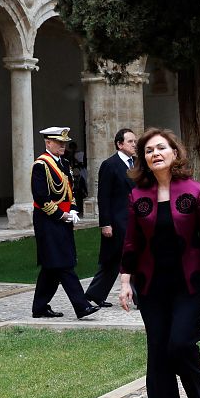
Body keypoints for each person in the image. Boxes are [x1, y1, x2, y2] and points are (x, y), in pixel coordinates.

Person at [118, 128, 200, 398]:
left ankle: (196, 389)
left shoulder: (194, 191)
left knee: (179, 343)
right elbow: (131, 243)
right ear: (144, 159)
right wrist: (125, 282)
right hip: (150, 285)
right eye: (149, 150)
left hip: (189, 283)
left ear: (174, 154)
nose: (155, 153)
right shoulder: (137, 196)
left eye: (161, 148)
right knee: (158, 350)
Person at [30, 126, 100, 320]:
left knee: (52, 265)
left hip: (63, 219)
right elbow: (41, 197)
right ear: (48, 143)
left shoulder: (64, 163)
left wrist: (74, 210)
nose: (63, 146)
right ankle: (82, 306)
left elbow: (70, 190)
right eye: (59, 143)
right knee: (63, 264)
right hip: (48, 221)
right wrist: (61, 215)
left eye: (64, 143)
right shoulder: (41, 165)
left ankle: (40, 307)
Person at [85, 128, 137, 308]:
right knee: (114, 258)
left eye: (134, 141)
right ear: (119, 144)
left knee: (128, 257)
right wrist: (105, 223)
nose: (134, 145)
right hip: (117, 221)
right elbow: (103, 196)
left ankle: (96, 294)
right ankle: (96, 293)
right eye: (130, 141)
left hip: (135, 219)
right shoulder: (110, 165)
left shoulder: (137, 164)